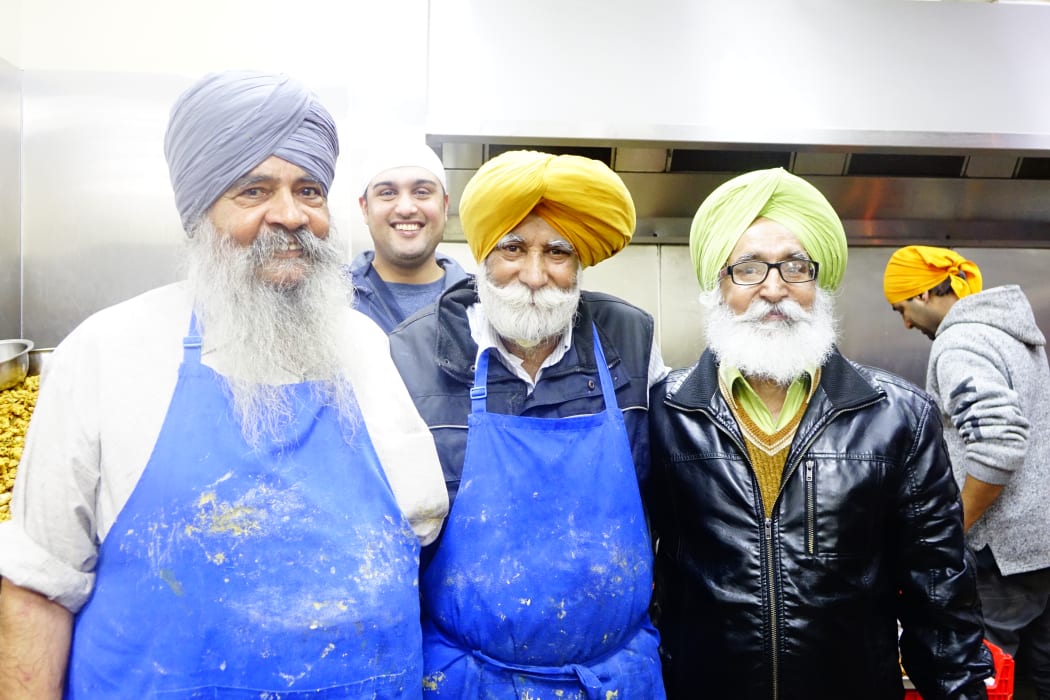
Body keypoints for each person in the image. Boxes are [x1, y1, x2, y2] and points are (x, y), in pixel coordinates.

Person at [0, 70, 448, 699]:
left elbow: (419, 532)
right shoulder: (106, 352)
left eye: (309, 190)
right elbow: (36, 589)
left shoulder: (365, 348)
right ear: (198, 210)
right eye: (253, 189)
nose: (289, 215)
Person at [647, 167, 993, 699]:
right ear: (716, 286)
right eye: (748, 269)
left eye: (795, 267)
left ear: (818, 282)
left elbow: (940, 598)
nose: (774, 289)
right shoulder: (663, 414)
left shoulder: (899, 416)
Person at [387, 150, 668, 698]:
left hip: (614, 678)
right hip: (468, 679)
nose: (535, 275)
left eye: (558, 252)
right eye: (513, 248)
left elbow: (671, 499)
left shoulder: (633, 339)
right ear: (482, 253)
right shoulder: (412, 353)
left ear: (580, 262)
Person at [884, 245, 1050, 699]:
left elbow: (999, 443)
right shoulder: (1014, 333)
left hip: (1000, 558)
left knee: (986, 683)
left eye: (902, 308)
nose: (904, 324)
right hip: (1041, 548)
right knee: (1036, 683)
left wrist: (953, 530)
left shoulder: (960, 342)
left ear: (923, 294)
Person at [349, 143, 468, 333]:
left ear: (445, 206)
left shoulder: (480, 303)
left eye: (421, 192)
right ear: (365, 208)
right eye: (387, 193)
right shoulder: (336, 299)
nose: (406, 208)